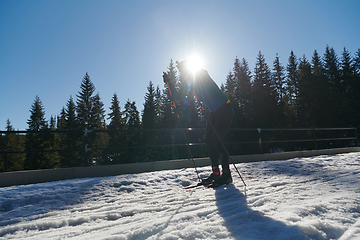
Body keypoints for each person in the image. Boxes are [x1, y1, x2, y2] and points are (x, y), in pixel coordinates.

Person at [162, 60, 234, 187]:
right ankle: (216, 173)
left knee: (217, 140)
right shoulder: (189, 80)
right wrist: (170, 82)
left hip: (224, 108)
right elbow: (179, 96)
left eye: (183, 70)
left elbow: (201, 76)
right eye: (180, 71)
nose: (182, 73)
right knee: (209, 140)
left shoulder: (200, 74)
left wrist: (187, 72)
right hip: (214, 112)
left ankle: (227, 174)